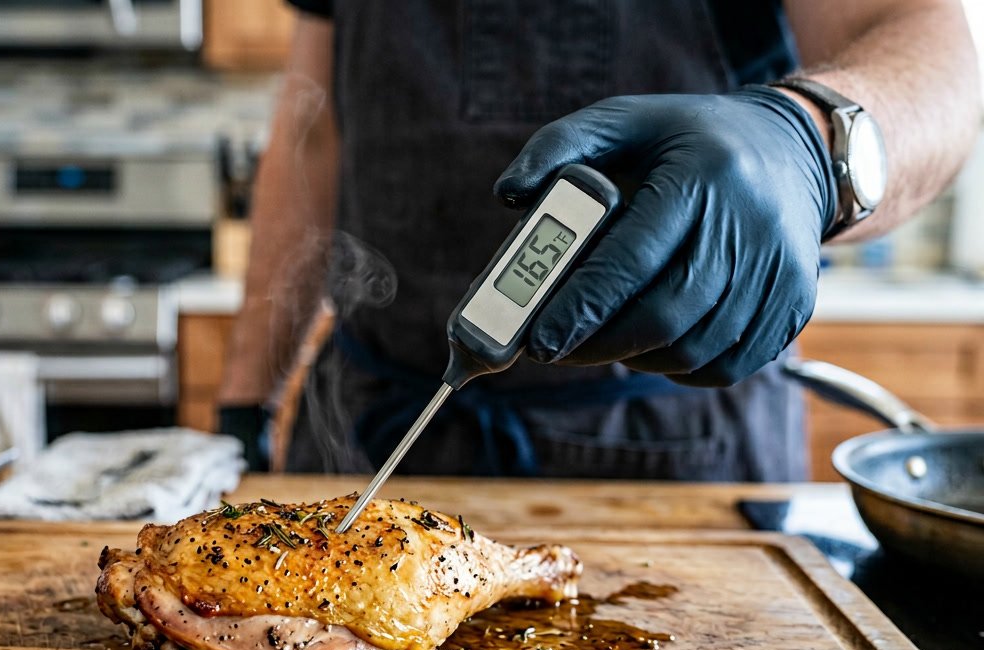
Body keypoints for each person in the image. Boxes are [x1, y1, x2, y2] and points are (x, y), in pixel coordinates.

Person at [218, 1, 980, 481]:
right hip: (372, 426)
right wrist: (246, 406)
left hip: (675, 448)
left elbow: (938, 55)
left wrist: (810, 145)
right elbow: (311, 134)